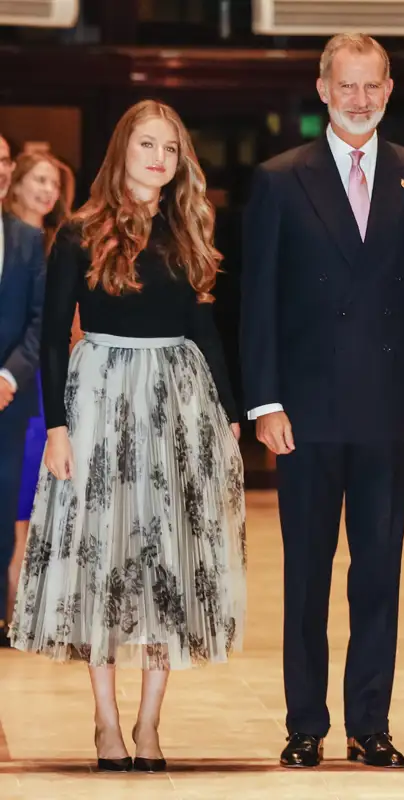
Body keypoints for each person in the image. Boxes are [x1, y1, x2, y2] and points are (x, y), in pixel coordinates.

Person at [9, 100, 247, 773]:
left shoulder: (190, 228)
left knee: (163, 557)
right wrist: (56, 425)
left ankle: (149, 724)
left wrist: (229, 412)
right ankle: (107, 722)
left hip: (175, 398)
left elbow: (206, 332)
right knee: (105, 558)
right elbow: (54, 338)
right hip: (99, 399)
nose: (159, 159)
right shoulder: (79, 233)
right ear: (123, 150)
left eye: (170, 149)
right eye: (148, 145)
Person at [240, 33, 404, 769]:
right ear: (323, 89)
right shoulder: (278, 179)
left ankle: (370, 723)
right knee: (307, 578)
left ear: (389, 91)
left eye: (373, 86)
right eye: (347, 86)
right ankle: (305, 724)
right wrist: (263, 402)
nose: (360, 99)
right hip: (304, 414)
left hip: (390, 413)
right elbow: (256, 299)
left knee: (379, 577)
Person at [4, 151, 76, 623]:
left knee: (22, 497)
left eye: (55, 182)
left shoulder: (45, 242)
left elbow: (46, 321)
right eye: (40, 179)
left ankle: (20, 605)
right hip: (26, 380)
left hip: (29, 384)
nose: (48, 190)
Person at [0, 135, 46, 647]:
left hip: (9, 398)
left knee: (3, 510)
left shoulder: (27, 239)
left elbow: (39, 320)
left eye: (3, 161)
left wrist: (8, 376)